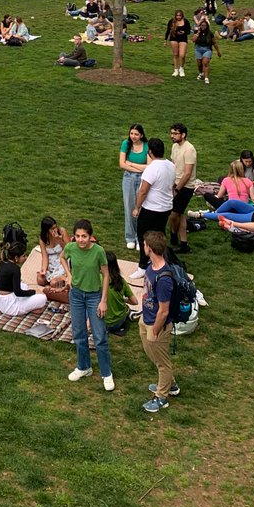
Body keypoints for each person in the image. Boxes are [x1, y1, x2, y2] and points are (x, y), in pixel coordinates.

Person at [60, 219, 114, 392]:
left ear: (90, 237)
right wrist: (68, 275)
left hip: (94, 296)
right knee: (79, 333)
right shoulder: (70, 248)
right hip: (75, 295)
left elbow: (106, 275)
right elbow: (62, 258)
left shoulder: (98, 252)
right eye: (77, 236)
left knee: (99, 337)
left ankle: (106, 373)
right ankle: (84, 367)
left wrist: (103, 300)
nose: (81, 240)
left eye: (84, 236)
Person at [138, 230, 180, 413]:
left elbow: (163, 311)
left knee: (163, 363)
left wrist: (155, 330)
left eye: (145, 244)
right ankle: (170, 385)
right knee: (156, 357)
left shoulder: (164, 279)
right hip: (145, 318)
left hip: (156, 325)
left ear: (150, 248)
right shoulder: (151, 267)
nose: (143, 247)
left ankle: (162, 397)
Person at [130, 138, 176, 278]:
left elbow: (143, 191)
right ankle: (160, 262)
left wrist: (137, 207)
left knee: (144, 235)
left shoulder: (152, 168)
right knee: (159, 235)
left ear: (150, 152)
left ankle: (143, 266)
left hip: (152, 209)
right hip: (166, 207)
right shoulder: (170, 165)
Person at [0, 240, 47, 317]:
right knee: (43, 298)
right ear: (16, 257)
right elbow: (18, 292)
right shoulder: (15, 269)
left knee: (24, 285)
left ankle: (30, 305)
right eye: (23, 256)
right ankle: (31, 308)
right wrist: (34, 292)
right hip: (9, 306)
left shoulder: (3, 261)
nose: (26, 258)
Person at [168, 122, 197, 254]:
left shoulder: (189, 149)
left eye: (175, 133)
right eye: (171, 133)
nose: (172, 136)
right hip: (175, 184)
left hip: (186, 187)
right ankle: (184, 243)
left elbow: (187, 173)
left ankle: (174, 234)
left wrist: (177, 189)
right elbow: (174, 165)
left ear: (183, 135)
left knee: (174, 215)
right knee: (179, 214)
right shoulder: (174, 146)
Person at [118, 124, 148, 251]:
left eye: (136, 134)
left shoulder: (147, 146)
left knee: (140, 207)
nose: (133, 136)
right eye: (132, 134)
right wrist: (136, 167)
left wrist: (131, 163)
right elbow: (122, 164)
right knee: (129, 207)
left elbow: (149, 166)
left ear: (141, 135)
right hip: (128, 178)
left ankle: (139, 237)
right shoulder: (126, 143)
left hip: (143, 178)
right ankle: (130, 237)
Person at [104, 250, 138, 336]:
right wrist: (123, 300)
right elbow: (135, 302)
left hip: (102, 323)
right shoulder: (121, 281)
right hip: (119, 322)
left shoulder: (96, 279)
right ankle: (129, 313)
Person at [36, 216, 70, 288]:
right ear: (46, 230)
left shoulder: (62, 232)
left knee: (53, 283)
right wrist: (44, 269)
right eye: (52, 229)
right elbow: (44, 256)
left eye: (55, 227)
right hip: (51, 263)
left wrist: (59, 239)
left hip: (63, 260)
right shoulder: (43, 238)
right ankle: (55, 278)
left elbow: (69, 249)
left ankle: (65, 278)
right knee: (40, 280)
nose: (55, 230)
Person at [192, 16, 221, 85]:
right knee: (199, 64)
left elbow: (214, 43)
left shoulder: (210, 33)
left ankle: (206, 78)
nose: (203, 27)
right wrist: (198, 32)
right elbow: (193, 40)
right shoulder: (197, 32)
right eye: (202, 25)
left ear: (207, 26)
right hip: (198, 49)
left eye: (204, 25)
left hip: (207, 49)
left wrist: (218, 52)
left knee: (205, 63)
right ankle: (201, 73)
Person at [164, 10, 191, 77]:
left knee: (182, 55)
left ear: (182, 16)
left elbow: (189, 31)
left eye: (180, 15)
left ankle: (181, 68)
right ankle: (175, 70)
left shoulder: (186, 21)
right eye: (177, 15)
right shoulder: (172, 21)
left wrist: (184, 32)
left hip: (183, 39)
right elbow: (168, 30)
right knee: (175, 54)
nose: (178, 17)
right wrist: (165, 40)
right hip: (174, 38)